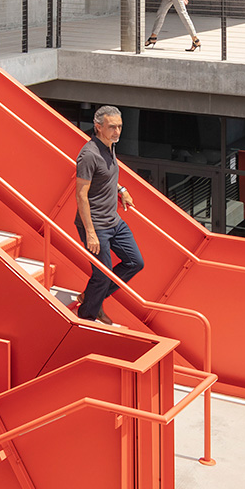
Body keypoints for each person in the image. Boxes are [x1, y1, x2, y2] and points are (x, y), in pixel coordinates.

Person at [73, 105, 142, 325]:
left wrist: (121, 190)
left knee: (135, 262)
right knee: (102, 274)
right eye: (112, 127)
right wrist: (91, 233)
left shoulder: (110, 146)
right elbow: (81, 195)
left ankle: (93, 298)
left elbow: (106, 177)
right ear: (98, 127)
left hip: (114, 221)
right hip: (96, 226)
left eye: (120, 126)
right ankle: (86, 316)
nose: (117, 131)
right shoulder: (89, 154)